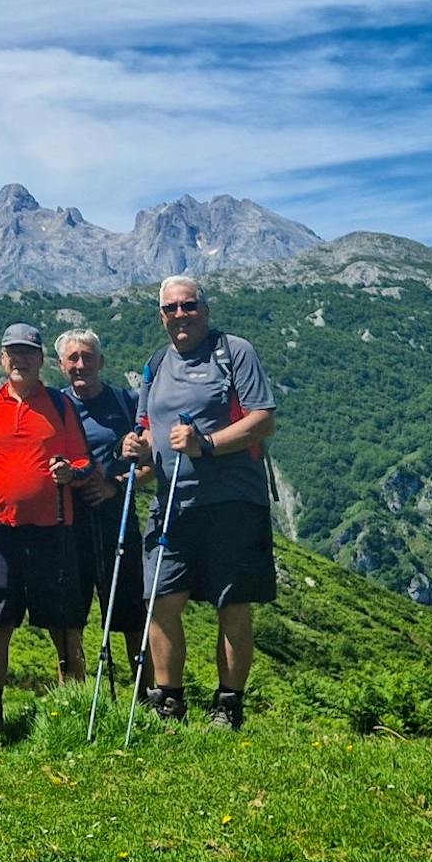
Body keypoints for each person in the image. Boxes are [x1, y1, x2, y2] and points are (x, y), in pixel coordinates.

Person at [119, 277, 278, 730]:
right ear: (161, 316)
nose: (180, 314)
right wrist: (139, 447)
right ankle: (169, 702)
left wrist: (204, 444)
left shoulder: (234, 352)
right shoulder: (156, 364)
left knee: (233, 604)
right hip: (172, 503)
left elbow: (263, 420)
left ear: (205, 310)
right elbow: (150, 429)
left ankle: (228, 705)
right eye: (171, 308)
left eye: (188, 305)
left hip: (232, 502)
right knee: (161, 600)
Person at [0, 322, 92, 734]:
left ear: (41, 359)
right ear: (2, 358)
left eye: (28, 353)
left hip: (54, 530)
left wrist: (71, 473)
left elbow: (84, 462)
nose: (20, 360)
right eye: (13, 353)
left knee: (64, 625)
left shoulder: (59, 406)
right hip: (2, 532)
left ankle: (74, 705)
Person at [54, 328, 146, 681]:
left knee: (131, 615)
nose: (81, 365)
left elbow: (153, 462)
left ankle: (146, 694)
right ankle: (74, 696)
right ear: (61, 365)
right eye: (73, 358)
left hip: (117, 523)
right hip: (67, 525)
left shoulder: (126, 402)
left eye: (87, 357)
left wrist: (115, 486)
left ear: (101, 361)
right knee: (68, 617)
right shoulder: (55, 407)